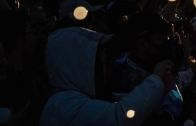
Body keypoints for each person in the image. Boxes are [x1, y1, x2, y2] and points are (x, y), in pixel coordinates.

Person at [40, 27, 171, 125]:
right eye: (98, 55)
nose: (103, 60)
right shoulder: (62, 105)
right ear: (77, 61)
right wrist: (155, 79)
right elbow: (119, 117)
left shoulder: (75, 97)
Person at [107, 11, 184, 124]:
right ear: (142, 44)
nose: (167, 43)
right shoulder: (126, 78)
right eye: (161, 38)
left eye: (167, 37)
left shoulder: (154, 68)